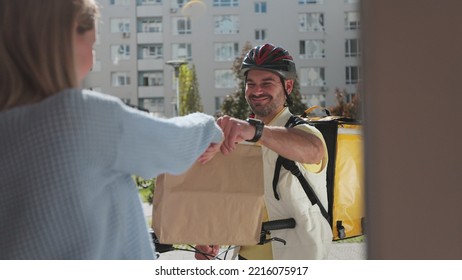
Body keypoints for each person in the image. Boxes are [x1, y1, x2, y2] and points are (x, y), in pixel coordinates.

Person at [0, 0, 222, 259]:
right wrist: (210, 127)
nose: (93, 61)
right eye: (92, 45)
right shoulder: (81, 116)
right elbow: (174, 144)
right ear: (66, 38)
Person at [195, 44, 332, 260]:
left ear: (288, 85)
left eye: (267, 83)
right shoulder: (242, 137)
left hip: (296, 257)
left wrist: (255, 130)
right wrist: (212, 233)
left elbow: (314, 151)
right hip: (243, 256)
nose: (257, 91)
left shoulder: (301, 131)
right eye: (251, 84)